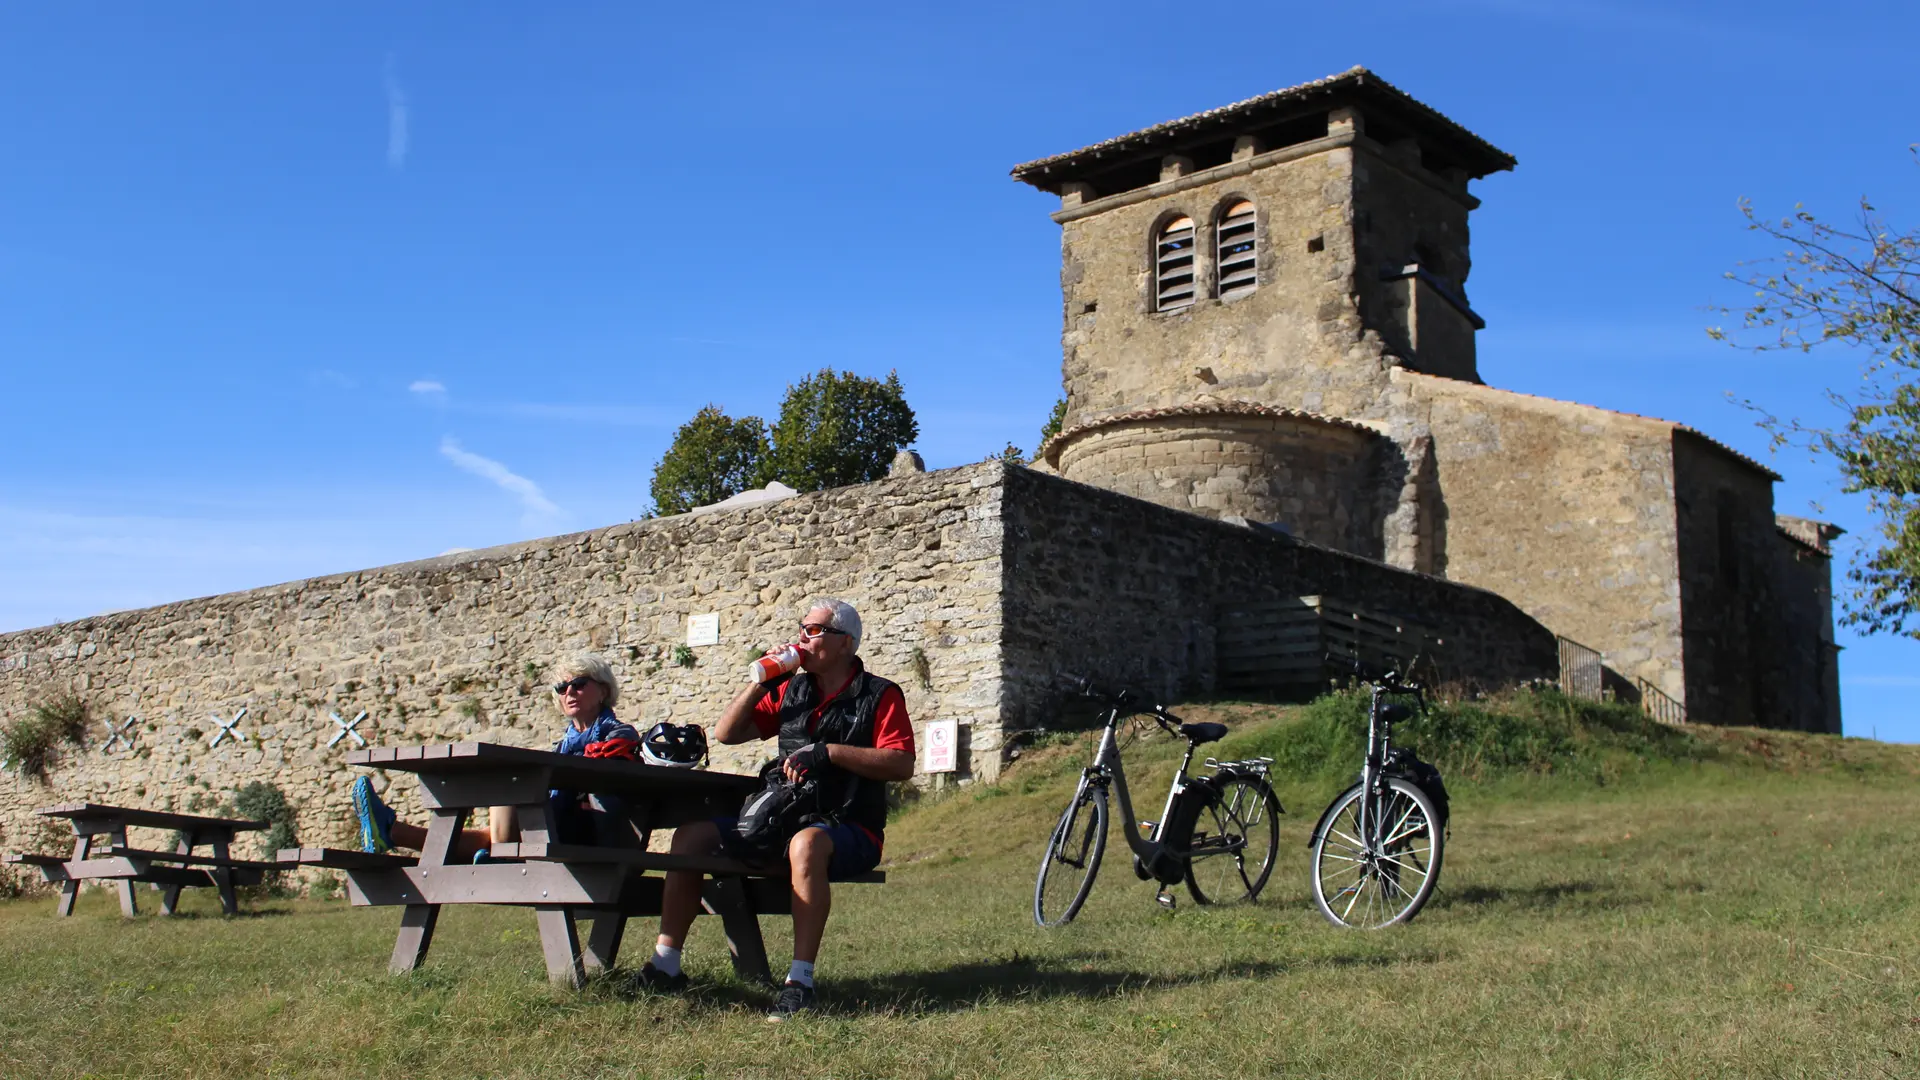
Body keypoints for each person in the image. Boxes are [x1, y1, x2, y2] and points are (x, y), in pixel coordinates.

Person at [630, 598, 915, 1021]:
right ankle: (666, 964)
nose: (804, 636)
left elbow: (901, 763)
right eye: (803, 627)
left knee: (807, 845)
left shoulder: (879, 694)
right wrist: (763, 678)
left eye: (815, 630)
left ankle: (800, 982)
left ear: (845, 644)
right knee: (690, 837)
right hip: (780, 818)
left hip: (849, 825)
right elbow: (727, 734)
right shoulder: (791, 689)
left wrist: (830, 753)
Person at [350, 653, 640, 859]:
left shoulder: (618, 733)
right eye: (562, 688)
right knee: (507, 792)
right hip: (559, 827)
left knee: (510, 786)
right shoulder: (564, 742)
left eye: (578, 683)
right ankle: (392, 832)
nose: (569, 693)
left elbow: (604, 781)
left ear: (602, 690)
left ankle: (394, 832)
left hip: (596, 835)